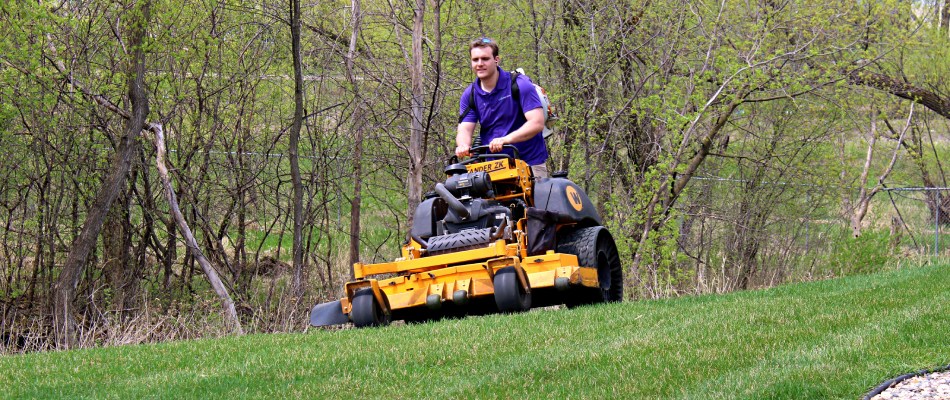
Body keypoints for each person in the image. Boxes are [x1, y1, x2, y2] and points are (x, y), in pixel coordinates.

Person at [456, 37, 550, 178]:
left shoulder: (519, 84)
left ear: (496, 60)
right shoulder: (470, 94)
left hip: (529, 163)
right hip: (494, 167)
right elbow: (465, 128)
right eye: (475, 60)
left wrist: (506, 140)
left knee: (538, 199)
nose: (480, 64)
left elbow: (537, 123)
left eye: (485, 59)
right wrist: (463, 145)